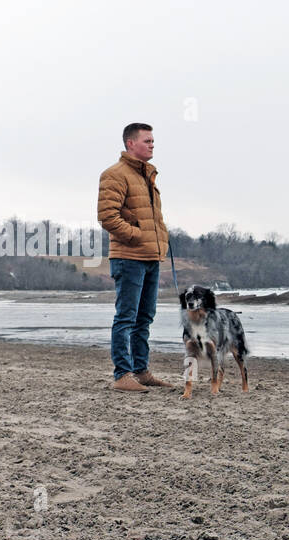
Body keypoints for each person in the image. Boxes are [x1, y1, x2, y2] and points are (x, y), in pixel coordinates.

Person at [97, 122, 173, 392]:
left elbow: (152, 218)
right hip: (129, 258)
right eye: (147, 141)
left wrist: (159, 240)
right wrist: (138, 235)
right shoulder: (115, 174)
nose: (152, 144)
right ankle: (122, 375)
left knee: (145, 318)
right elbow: (107, 217)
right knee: (126, 317)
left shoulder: (147, 175)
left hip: (151, 257)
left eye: (153, 141)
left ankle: (141, 371)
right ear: (131, 144)